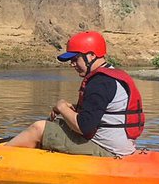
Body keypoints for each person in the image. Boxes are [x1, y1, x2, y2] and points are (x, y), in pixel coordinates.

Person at [7, 30, 144, 158]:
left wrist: (62, 106)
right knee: (59, 124)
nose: (72, 64)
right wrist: (72, 107)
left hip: (108, 150)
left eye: (75, 59)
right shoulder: (110, 76)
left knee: (39, 128)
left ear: (91, 56)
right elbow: (100, 111)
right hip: (120, 147)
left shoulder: (99, 82)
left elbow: (83, 127)